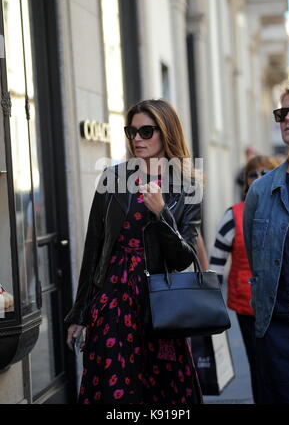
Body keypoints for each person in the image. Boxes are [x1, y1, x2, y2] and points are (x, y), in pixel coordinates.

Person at [65, 99, 203, 404]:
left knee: (163, 396)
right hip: (113, 302)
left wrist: (162, 214)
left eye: (146, 131)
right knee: (116, 395)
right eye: (131, 131)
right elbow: (94, 247)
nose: (136, 139)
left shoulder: (187, 185)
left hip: (161, 305)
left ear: (166, 132)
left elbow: (183, 259)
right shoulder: (113, 179)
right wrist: (80, 312)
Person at [243, 85, 289, 404]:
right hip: (278, 329)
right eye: (282, 113)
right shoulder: (261, 191)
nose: (288, 119)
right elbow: (258, 260)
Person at [209, 155, 278, 404]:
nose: (259, 178)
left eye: (265, 173)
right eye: (253, 174)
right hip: (246, 303)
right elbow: (216, 261)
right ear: (246, 182)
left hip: (281, 302)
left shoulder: (288, 208)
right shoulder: (234, 215)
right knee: (258, 363)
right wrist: (212, 301)